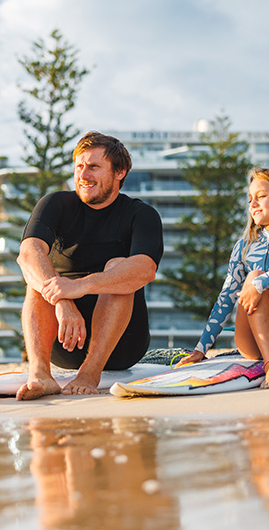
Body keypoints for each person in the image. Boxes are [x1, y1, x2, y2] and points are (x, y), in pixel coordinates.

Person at [16, 131, 163, 400]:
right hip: (61, 338)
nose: (83, 175)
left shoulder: (141, 215)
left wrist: (79, 286)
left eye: (94, 167)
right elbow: (28, 253)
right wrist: (63, 301)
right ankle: (40, 373)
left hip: (122, 345)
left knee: (119, 267)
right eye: (79, 167)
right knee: (38, 272)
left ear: (119, 171)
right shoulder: (55, 204)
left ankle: (89, 373)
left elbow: (145, 268)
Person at [179, 168, 269, 387]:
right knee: (254, 274)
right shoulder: (245, 245)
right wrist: (201, 349)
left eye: (261, 197)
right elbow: (226, 297)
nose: (253, 204)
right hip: (252, 340)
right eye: (250, 199)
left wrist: (261, 282)